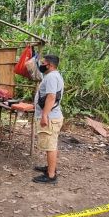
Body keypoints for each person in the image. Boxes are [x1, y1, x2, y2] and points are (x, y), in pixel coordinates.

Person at [32, 55, 64, 184]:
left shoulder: (51, 77)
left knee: (50, 145)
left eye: (43, 63)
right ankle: (51, 168)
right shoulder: (55, 75)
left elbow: (51, 97)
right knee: (51, 144)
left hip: (50, 117)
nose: (42, 64)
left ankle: (51, 176)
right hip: (53, 116)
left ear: (49, 65)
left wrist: (44, 115)